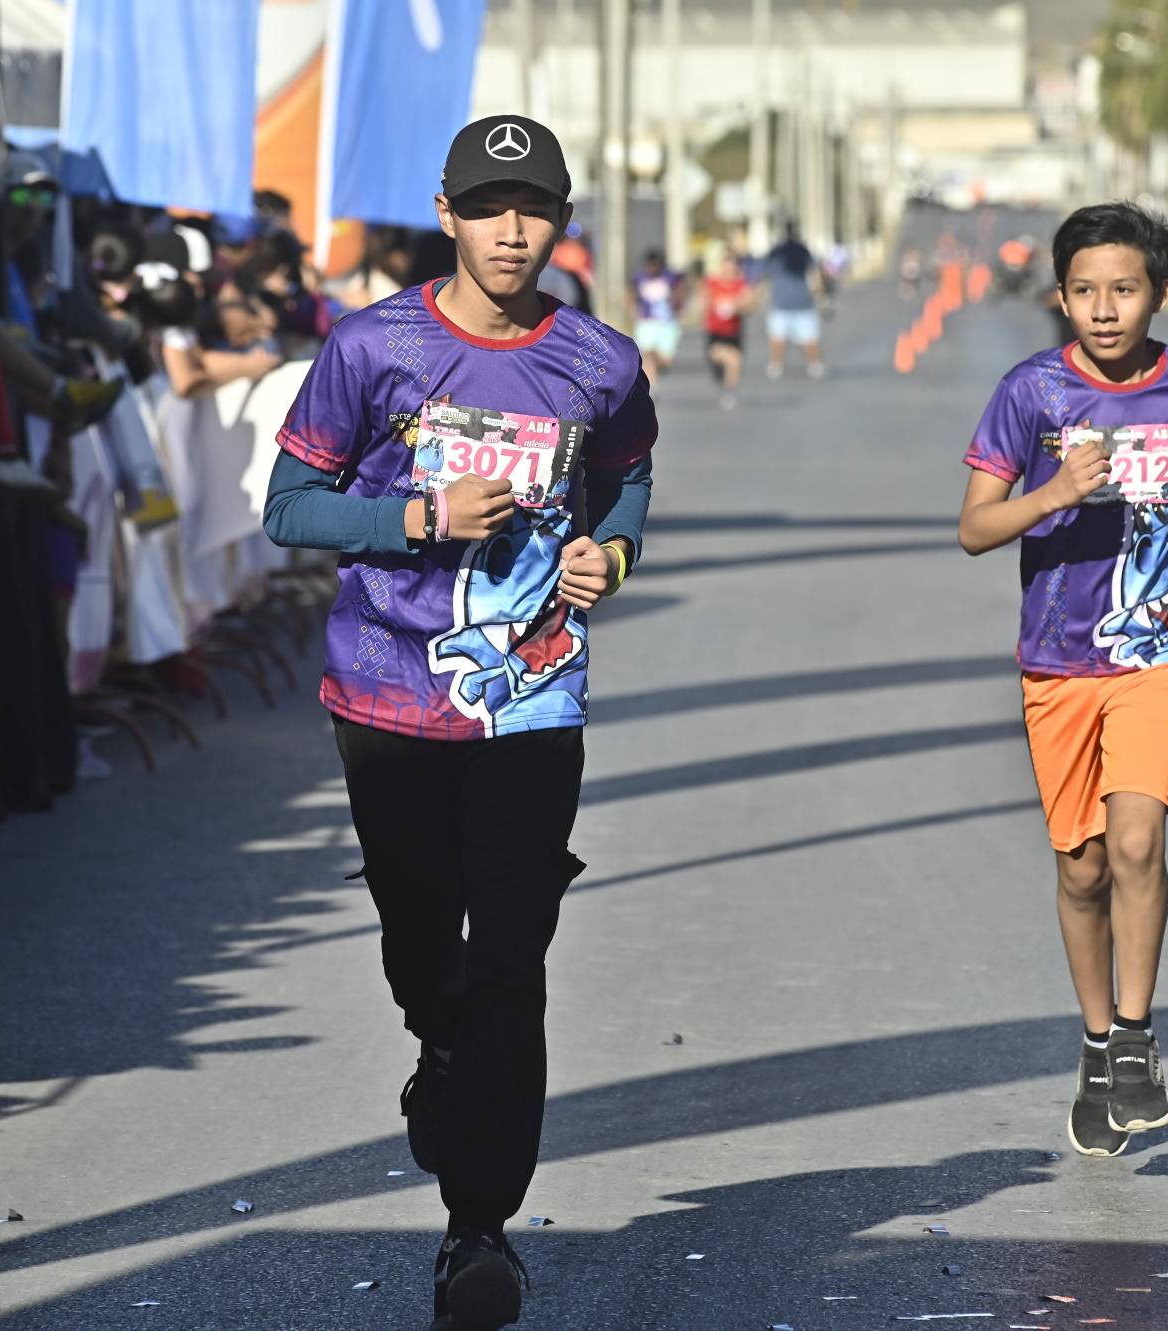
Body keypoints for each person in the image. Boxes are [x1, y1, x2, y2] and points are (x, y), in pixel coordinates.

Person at [262, 114, 655, 1331]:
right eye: (489, 207)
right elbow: (289, 506)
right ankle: (437, 1049)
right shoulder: (372, 346)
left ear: (561, 218)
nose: (511, 230)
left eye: (533, 207)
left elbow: (629, 471)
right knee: (426, 954)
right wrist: (417, 521)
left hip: (531, 702)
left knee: (512, 964)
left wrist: (613, 550)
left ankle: (478, 1227)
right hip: (385, 696)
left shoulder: (597, 358)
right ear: (446, 213)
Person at [956, 202, 1168, 1159]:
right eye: (1085, 291)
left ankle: (1135, 1036)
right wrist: (1058, 492)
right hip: (1058, 658)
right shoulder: (1031, 392)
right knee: (1080, 868)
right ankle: (1092, 1040)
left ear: (1159, 292)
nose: (1105, 309)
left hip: (1154, 650)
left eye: (1125, 289)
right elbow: (975, 526)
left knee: (1137, 839)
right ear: (1062, 296)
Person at [763, 222, 824, 380]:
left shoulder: (779, 252)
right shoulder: (795, 251)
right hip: (791, 303)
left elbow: (765, 276)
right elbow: (815, 275)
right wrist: (820, 296)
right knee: (782, 339)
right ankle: (809, 365)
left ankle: (811, 365)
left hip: (791, 303)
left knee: (801, 339)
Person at [702, 247, 752, 410]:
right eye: (726, 267)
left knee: (735, 360)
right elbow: (704, 301)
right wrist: (715, 305)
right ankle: (722, 378)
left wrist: (737, 307)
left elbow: (750, 304)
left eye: (732, 267)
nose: (729, 271)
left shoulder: (740, 285)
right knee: (721, 361)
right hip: (715, 333)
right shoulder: (712, 283)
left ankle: (729, 392)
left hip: (733, 333)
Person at [631, 249, 683, 388]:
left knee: (666, 360)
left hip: (666, 322)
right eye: (649, 265)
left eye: (655, 265)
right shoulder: (639, 278)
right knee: (647, 353)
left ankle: (654, 371)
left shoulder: (669, 277)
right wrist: (633, 310)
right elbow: (630, 293)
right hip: (647, 321)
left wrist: (677, 305)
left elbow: (680, 291)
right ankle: (653, 386)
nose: (651, 268)